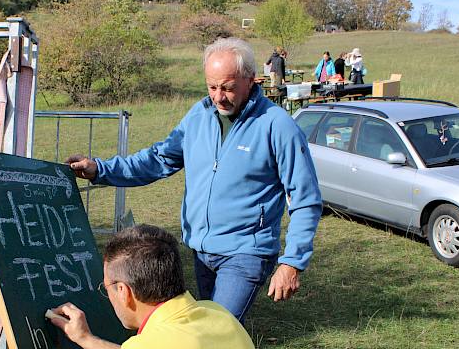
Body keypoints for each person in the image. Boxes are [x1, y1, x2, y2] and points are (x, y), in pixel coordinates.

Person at [65, 37, 323, 322]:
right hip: (200, 251)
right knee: (208, 332)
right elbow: (158, 159)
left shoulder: (277, 125)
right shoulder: (199, 116)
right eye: (212, 87)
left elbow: (305, 198)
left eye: (228, 87)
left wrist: (292, 262)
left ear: (250, 80)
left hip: (245, 253)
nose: (218, 97)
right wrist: (100, 170)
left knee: (214, 334)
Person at [49, 225, 255, 349]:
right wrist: (86, 339)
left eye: (107, 288)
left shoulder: (151, 343)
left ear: (123, 291)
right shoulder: (219, 313)